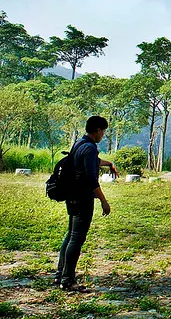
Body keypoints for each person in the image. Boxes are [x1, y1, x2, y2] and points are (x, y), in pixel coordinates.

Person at [55, 116, 118, 292]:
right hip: (82, 198)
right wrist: (104, 201)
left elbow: (89, 162)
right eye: (103, 131)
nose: (103, 135)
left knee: (71, 236)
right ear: (97, 130)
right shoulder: (90, 148)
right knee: (77, 238)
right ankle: (68, 280)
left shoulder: (80, 143)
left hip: (72, 196)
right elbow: (91, 179)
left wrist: (109, 163)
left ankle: (60, 274)